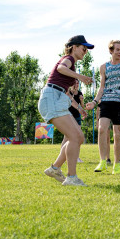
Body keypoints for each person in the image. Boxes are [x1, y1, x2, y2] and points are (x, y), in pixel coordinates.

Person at [40, 35, 94, 186]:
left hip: (57, 99)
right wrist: (80, 77)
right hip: (52, 99)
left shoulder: (72, 65)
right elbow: (60, 68)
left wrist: (79, 108)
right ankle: (71, 177)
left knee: (79, 137)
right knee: (75, 137)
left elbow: (65, 93)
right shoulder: (68, 59)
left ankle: (55, 168)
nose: (85, 51)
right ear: (74, 47)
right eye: (84, 48)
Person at [86, 40, 120, 174]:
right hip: (106, 101)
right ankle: (102, 161)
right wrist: (95, 102)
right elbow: (101, 88)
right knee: (101, 129)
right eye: (117, 49)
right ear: (111, 51)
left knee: (117, 134)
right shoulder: (104, 67)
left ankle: (116, 164)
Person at [64, 79, 87, 163]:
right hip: (68, 116)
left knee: (78, 136)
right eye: (75, 83)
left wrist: (81, 100)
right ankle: (63, 157)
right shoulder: (68, 92)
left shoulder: (80, 93)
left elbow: (82, 106)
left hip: (77, 117)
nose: (77, 85)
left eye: (78, 83)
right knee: (67, 137)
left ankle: (77, 157)